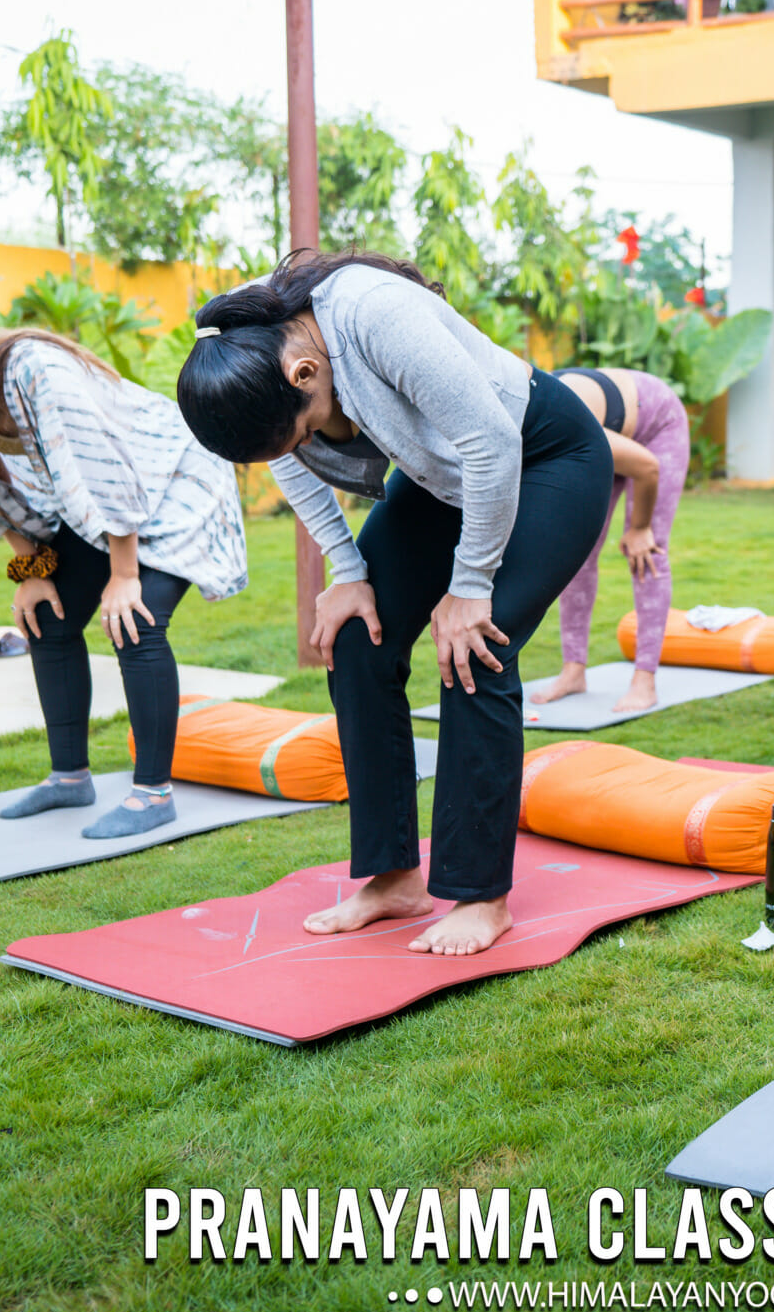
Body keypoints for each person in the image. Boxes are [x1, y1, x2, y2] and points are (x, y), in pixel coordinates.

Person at [175, 251, 612, 955]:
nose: (305, 446)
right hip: (443, 477)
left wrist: (470, 586)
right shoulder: (245, 343)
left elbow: (491, 442)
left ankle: (481, 896)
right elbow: (285, 452)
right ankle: (394, 876)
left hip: (541, 457)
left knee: (475, 643)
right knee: (358, 637)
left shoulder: (374, 315)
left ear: (305, 373)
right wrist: (347, 571)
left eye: (307, 429)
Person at [0, 330, 248, 840]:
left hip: (172, 477)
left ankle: (153, 794)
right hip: (110, 506)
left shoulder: (35, 371)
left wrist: (125, 576)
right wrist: (33, 571)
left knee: (135, 619)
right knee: (47, 618)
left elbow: (108, 474)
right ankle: (70, 778)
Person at [527, 366, 687, 714]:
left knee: (647, 551)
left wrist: (640, 528)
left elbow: (647, 467)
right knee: (577, 553)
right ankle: (573, 672)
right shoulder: (520, 433)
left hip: (656, 424)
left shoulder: (565, 423)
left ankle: (644, 680)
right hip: (601, 436)